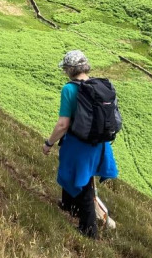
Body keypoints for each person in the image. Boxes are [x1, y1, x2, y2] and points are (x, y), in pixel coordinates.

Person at [42, 50, 118, 239]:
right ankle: (69, 207)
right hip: (99, 145)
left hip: (78, 145)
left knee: (83, 185)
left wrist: (49, 143)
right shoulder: (100, 87)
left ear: (69, 69)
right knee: (78, 177)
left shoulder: (70, 89)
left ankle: (89, 230)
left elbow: (63, 124)